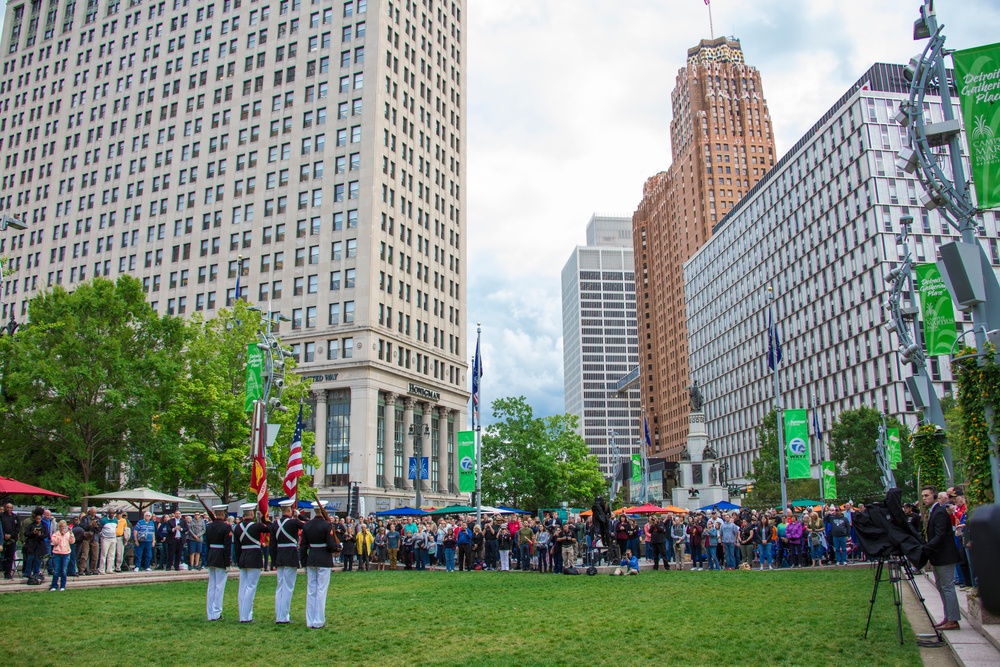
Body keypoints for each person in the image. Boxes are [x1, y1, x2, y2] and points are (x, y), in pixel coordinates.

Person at [922, 486, 961, 631]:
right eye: (923, 496)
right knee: (942, 588)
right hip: (939, 556)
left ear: (934, 496)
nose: (924, 498)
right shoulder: (935, 511)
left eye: (927, 495)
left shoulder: (939, 512)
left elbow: (940, 535)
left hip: (944, 556)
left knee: (947, 587)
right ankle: (948, 616)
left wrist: (926, 548)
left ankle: (953, 619)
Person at [300, 510, 339, 629]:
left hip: (311, 559)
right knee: (321, 590)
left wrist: (304, 561)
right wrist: (338, 546)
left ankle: (310, 619)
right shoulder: (327, 525)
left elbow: (303, 546)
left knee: (311, 590)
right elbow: (331, 545)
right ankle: (318, 620)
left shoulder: (307, 525)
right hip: (323, 560)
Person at [233, 507, 269, 623]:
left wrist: (238, 560)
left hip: (243, 557)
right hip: (254, 558)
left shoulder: (238, 527)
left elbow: (237, 547)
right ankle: (246, 615)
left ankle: (242, 613)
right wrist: (265, 518)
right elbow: (270, 528)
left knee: (242, 588)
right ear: (252, 514)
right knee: (251, 588)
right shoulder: (257, 526)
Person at [270, 503, 304, 624]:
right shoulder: (294, 522)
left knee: (280, 587)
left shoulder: (275, 524)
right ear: (290, 510)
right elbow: (309, 525)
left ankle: (279, 614)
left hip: (279, 557)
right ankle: (284, 616)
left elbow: (272, 545)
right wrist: (299, 516)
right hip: (290, 556)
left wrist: (274, 560)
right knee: (288, 587)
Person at [204, 508, 233, 621]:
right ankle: (216, 612)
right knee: (219, 586)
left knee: (212, 586)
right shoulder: (226, 527)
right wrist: (227, 563)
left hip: (212, 555)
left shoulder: (209, 526)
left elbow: (207, 543)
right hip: (220, 556)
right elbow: (227, 546)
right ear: (223, 514)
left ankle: (210, 612)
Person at [23, 508, 49, 581]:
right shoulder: (31, 525)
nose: (38, 520)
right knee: (30, 558)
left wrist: (40, 535)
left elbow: (46, 534)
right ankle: (27, 573)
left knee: (38, 559)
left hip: (40, 544)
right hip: (31, 544)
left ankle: (36, 572)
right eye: (37, 519)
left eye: (39, 519)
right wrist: (32, 533)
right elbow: (26, 533)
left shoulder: (44, 525)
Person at [49, 520, 75, 591]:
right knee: (56, 570)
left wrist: (71, 533)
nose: (63, 528)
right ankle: (54, 585)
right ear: (59, 527)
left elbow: (72, 541)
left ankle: (63, 585)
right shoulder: (56, 534)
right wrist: (61, 535)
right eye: (62, 527)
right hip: (57, 553)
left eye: (64, 527)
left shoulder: (68, 533)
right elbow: (55, 542)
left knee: (64, 570)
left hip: (66, 553)